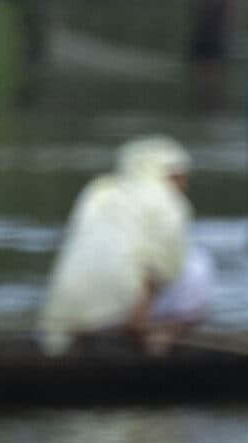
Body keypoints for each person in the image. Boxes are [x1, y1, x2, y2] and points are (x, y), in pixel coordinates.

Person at [36, 137, 214, 355]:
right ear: (166, 175)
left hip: (73, 320)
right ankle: (169, 332)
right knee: (198, 262)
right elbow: (155, 265)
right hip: (127, 319)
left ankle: (81, 336)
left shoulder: (98, 192)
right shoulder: (167, 202)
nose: (184, 185)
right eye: (180, 177)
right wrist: (139, 329)